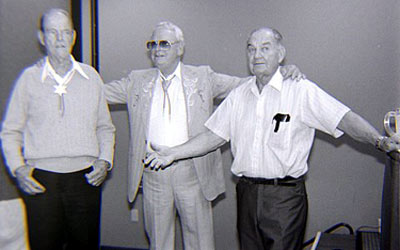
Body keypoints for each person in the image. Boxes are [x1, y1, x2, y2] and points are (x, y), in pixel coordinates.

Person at [144, 27, 400, 250]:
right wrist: (173, 153)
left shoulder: (300, 90)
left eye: (265, 48)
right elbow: (213, 135)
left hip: (284, 199)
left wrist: (379, 141)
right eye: (251, 49)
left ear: (280, 54)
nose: (257, 55)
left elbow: (343, 118)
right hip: (246, 195)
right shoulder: (239, 94)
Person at [104, 21, 303, 250]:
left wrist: (282, 73)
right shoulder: (136, 81)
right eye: (153, 44)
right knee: (158, 242)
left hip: (192, 172)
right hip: (153, 173)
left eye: (164, 43)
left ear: (180, 48)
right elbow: (99, 94)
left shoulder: (202, 77)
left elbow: (245, 83)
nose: (157, 49)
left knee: (199, 241)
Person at [0, 8, 115, 250]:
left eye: (65, 32)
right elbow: (10, 131)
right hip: (41, 181)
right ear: (42, 38)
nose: (60, 38)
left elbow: (105, 128)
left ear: (73, 36)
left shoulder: (92, 78)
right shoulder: (28, 79)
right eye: (52, 32)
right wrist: (18, 169)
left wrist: (104, 161)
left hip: (85, 180)